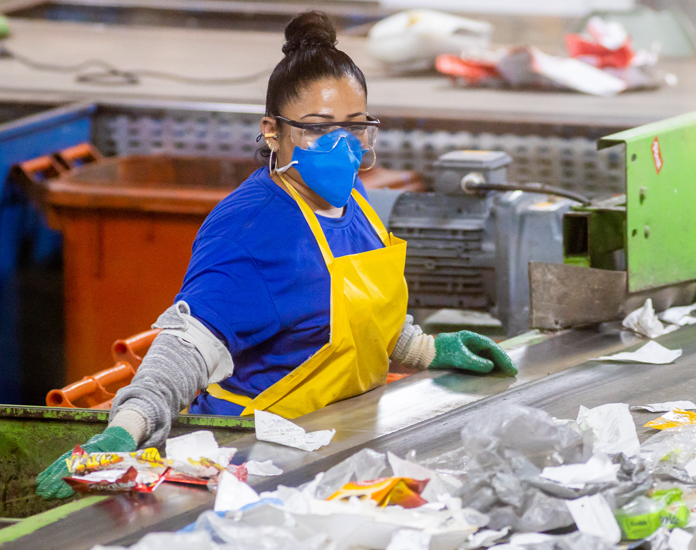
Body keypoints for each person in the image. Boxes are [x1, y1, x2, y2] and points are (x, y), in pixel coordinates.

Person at [36, 10, 516, 499]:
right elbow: (186, 347)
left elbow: (352, 323)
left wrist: (428, 350)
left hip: (339, 443)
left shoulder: (352, 203)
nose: (342, 147)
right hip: (256, 465)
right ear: (272, 131)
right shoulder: (252, 230)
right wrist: (124, 431)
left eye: (355, 128)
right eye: (319, 130)